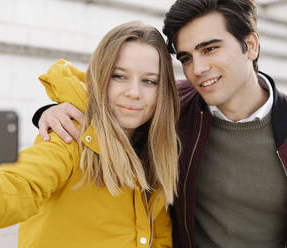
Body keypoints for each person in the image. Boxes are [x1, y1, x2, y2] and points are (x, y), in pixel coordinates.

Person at [34, 0, 287, 247]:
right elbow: (108, 101)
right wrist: (52, 111)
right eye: (186, 57)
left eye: (210, 49)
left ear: (251, 45)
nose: (197, 69)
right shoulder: (172, 107)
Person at [0, 21, 181, 247]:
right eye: (119, 76)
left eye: (149, 81)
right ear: (99, 78)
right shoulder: (68, 137)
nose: (134, 92)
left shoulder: (157, 149)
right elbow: (5, 197)